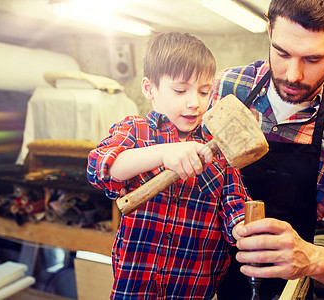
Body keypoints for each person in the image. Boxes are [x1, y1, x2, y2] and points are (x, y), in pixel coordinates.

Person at [211, 0, 324, 299]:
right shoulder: (227, 88)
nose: (293, 74)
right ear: (270, 31)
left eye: (312, 58)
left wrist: (312, 258)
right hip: (215, 275)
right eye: (282, 53)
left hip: (298, 286)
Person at [87, 32, 250, 299]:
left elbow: (235, 204)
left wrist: (242, 229)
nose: (194, 102)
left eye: (204, 91)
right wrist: (164, 153)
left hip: (196, 288)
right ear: (149, 88)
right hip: (136, 285)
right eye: (180, 90)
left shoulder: (218, 147)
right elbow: (100, 169)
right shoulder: (134, 131)